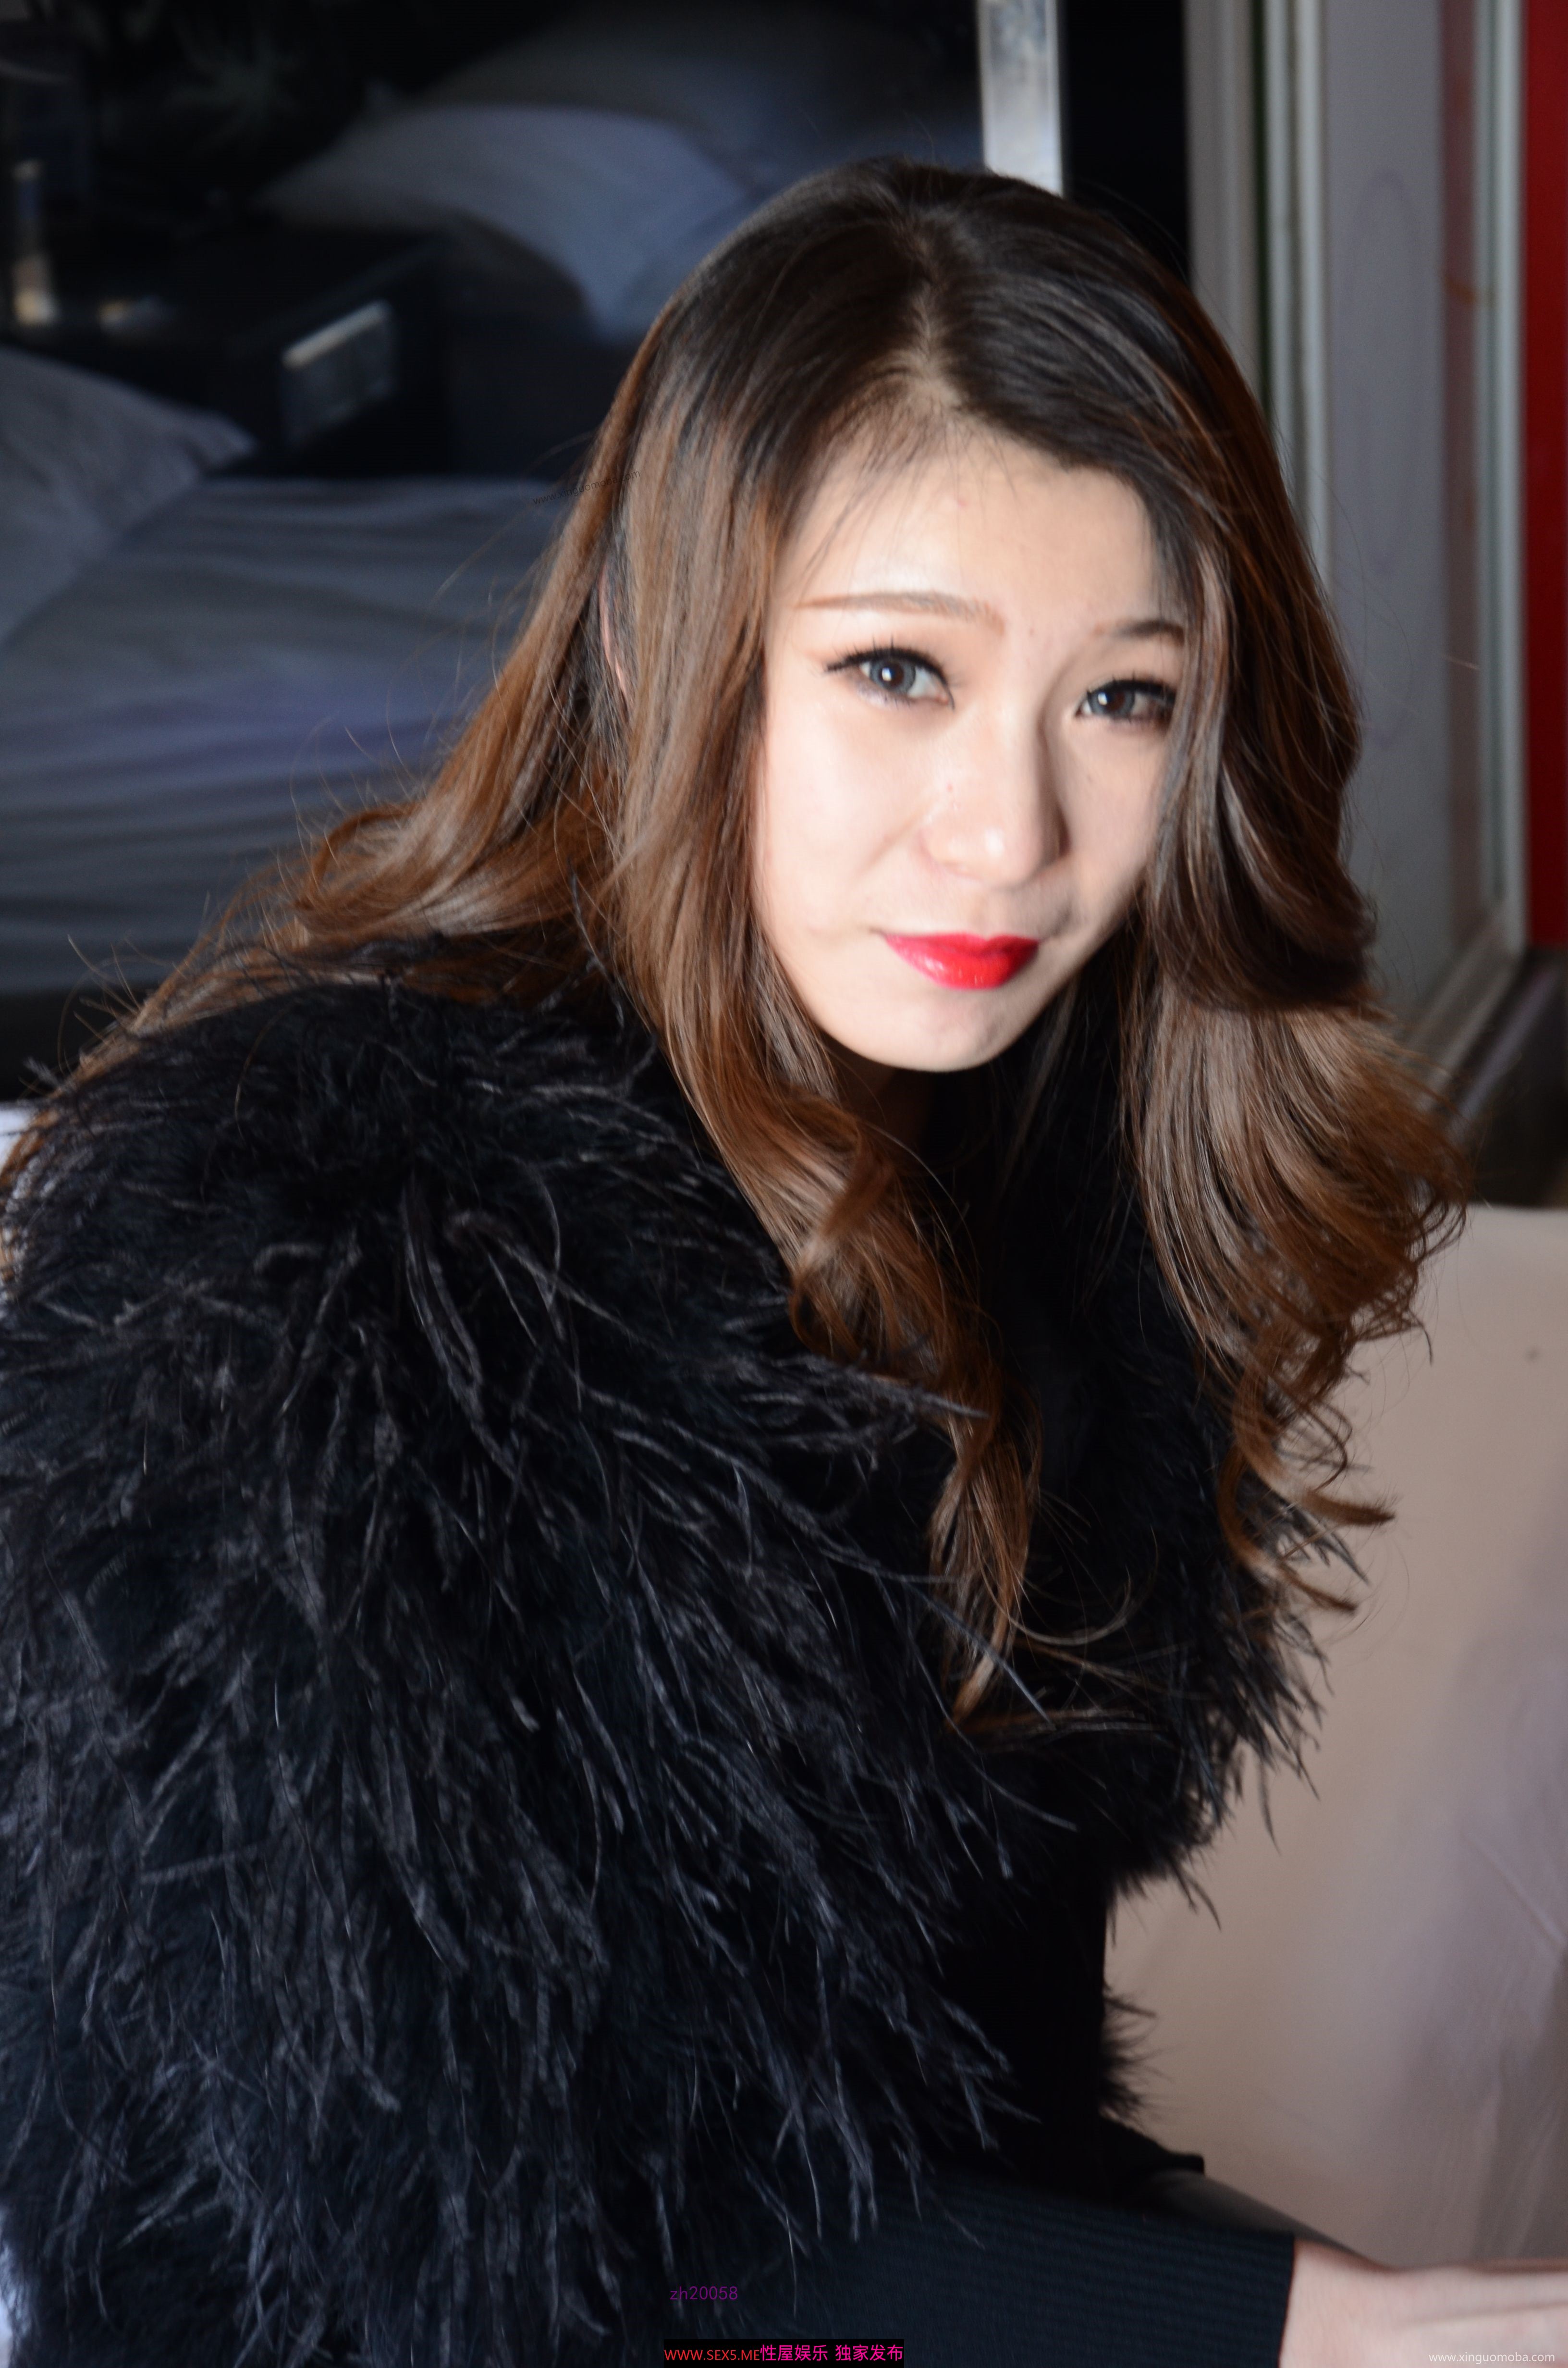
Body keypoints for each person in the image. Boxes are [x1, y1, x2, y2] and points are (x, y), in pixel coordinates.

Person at [0, 158, 1557, 2368]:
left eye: (1123, 698)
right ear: (676, 657)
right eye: (898, 670)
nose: (1010, 833)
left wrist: (1312, 2305)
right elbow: (487, 2229)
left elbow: (986, 2088)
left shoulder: (1051, 1163)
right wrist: (1304, 2323)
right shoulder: (317, 1266)